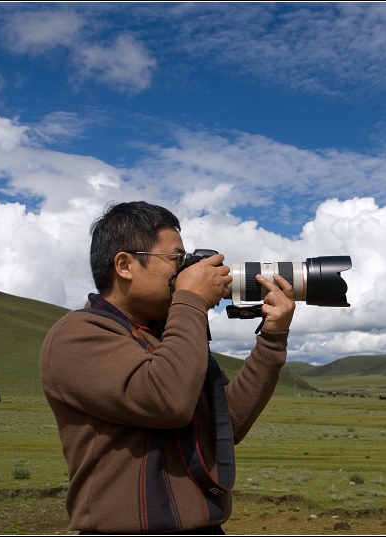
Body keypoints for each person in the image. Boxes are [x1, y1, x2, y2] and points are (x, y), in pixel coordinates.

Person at [40, 201, 295, 534]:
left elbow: (225, 426)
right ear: (125, 265)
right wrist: (191, 300)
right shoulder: (76, 335)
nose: (185, 271)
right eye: (176, 259)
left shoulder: (169, 338)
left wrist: (272, 340)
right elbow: (168, 401)